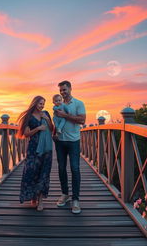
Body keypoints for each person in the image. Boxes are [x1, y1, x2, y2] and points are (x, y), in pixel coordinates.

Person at [54, 81, 86, 214]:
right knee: (61, 168)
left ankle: (76, 199)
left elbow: (82, 120)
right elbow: (56, 121)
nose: (63, 92)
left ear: (71, 89)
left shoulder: (78, 103)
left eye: (65, 90)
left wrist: (65, 115)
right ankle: (65, 194)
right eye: (61, 90)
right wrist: (54, 132)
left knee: (75, 168)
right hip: (60, 141)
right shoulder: (57, 104)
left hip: (73, 141)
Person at [17, 96, 53, 211]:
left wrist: (47, 120)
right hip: (33, 148)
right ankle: (33, 197)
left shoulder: (46, 113)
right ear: (34, 103)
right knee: (31, 171)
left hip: (46, 149)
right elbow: (26, 134)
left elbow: (52, 129)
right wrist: (38, 128)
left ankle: (40, 200)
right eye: (40, 103)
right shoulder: (28, 117)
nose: (42, 106)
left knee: (43, 173)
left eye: (43, 104)